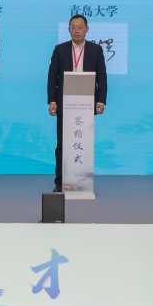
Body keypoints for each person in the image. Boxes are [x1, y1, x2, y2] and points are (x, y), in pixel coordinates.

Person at [47, 14, 108, 192]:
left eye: (80, 27)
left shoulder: (96, 50)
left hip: (86, 103)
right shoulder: (60, 49)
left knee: (83, 142)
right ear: (68, 30)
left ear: (87, 29)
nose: (77, 31)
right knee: (62, 144)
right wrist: (52, 100)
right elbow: (52, 77)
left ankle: (83, 181)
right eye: (73, 28)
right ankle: (60, 182)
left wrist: (101, 100)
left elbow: (102, 77)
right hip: (64, 103)